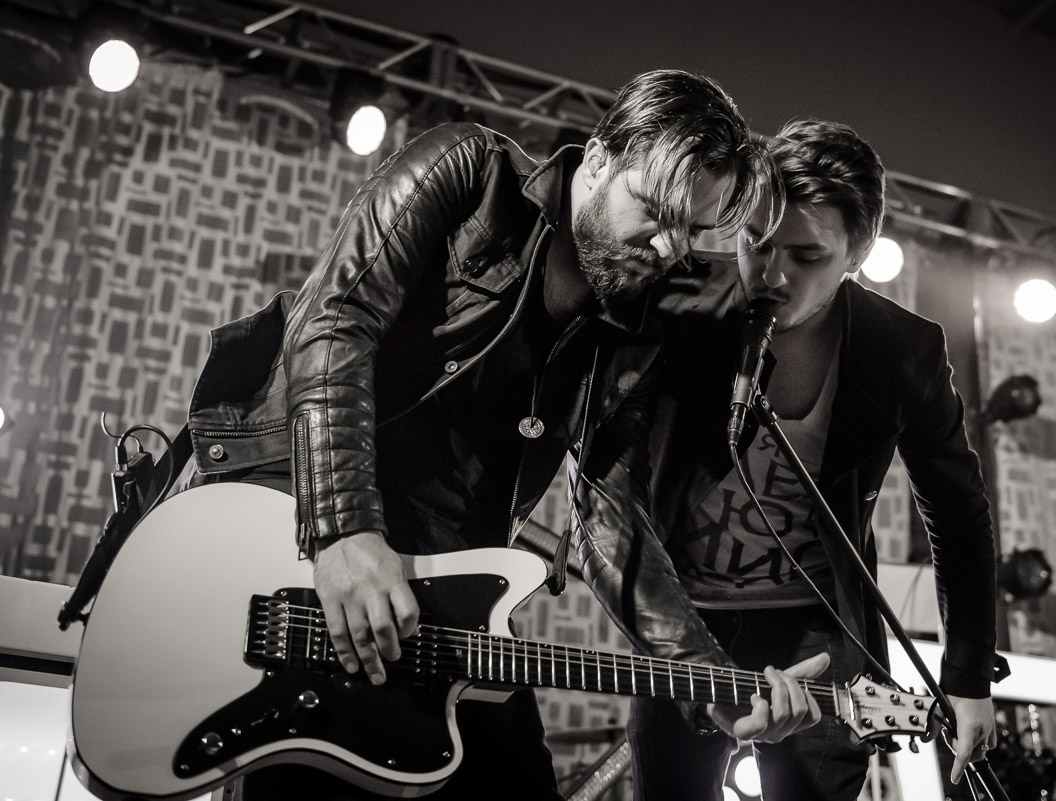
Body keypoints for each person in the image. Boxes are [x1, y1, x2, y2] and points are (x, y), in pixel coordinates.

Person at [184, 70, 826, 801]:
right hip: (305, 542)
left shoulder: (632, 332)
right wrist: (342, 532)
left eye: (692, 228)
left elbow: (614, 522)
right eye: (653, 209)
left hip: (447, 596)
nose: (667, 246)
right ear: (598, 159)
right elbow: (335, 321)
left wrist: (716, 681)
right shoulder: (469, 172)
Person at [579, 119, 1002, 801]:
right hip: (686, 620)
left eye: (806, 255)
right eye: (756, 241)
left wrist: (967, 677)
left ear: (857, 254)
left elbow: (958, 513)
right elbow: (606, 488)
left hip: (821, 627)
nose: (771, 274)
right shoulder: (675, 306)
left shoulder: (906, 351)